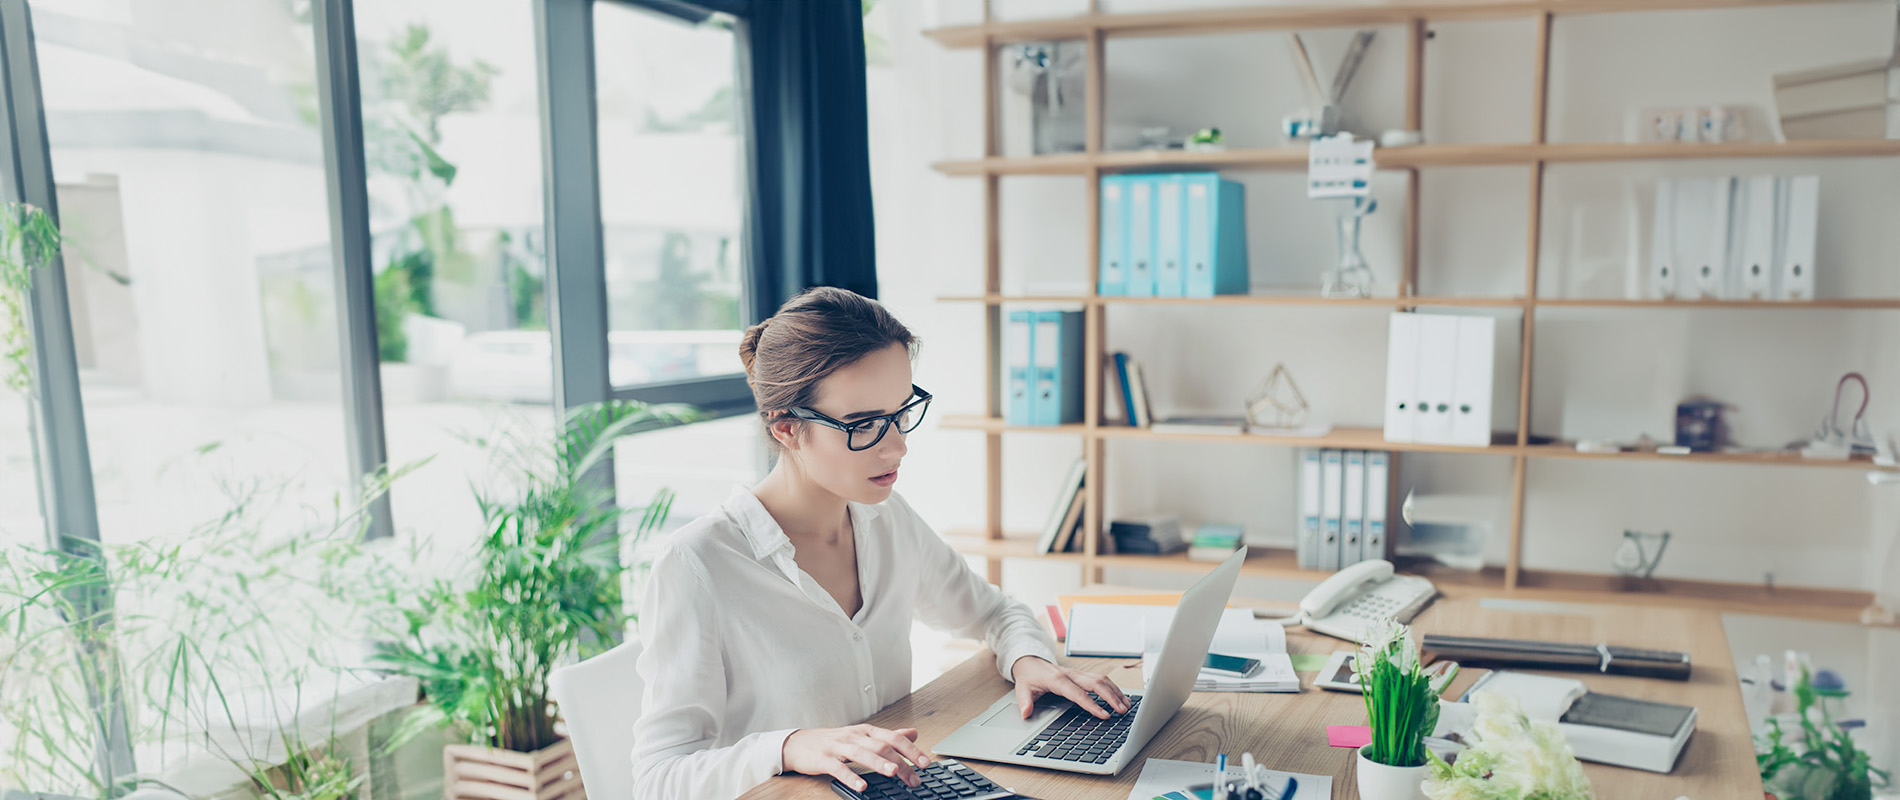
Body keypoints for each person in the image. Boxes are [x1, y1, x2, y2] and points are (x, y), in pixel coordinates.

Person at [631, 287, 1130, 799]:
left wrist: (1030, 662)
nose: (898, 445)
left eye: (900, 412)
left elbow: (994, 612)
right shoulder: (699, 563)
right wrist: (787, 746)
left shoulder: (887, 520)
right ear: (786, 428)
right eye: (865, 424)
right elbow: (657, 779)